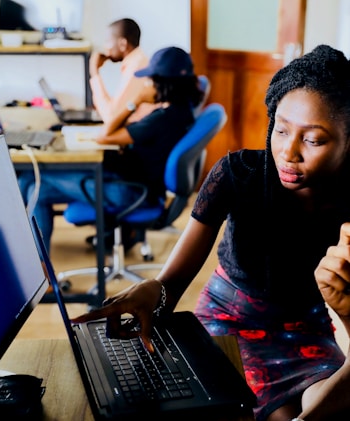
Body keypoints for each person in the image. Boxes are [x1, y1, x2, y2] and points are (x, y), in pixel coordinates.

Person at [71, 44, 350, 420]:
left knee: (331, 405)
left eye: (313, 139)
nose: (288, 152)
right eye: (280, 130)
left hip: (308, 329)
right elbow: (172, 282)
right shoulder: (237, 176)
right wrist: (154, 290)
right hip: (231, 320)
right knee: (275, 413)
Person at [19, 46, 204, 254]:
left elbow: (105, 135)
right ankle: (38, 265)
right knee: (31, 185)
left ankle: (38, 267)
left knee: (32, 184)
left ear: (163, 83)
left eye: (149, 79)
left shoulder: (162, 120)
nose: (145, 84)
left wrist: (134, 101)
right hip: (136, 184)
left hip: (128, 192)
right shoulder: (182, 112)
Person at [90, 18, 157, 124]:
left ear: (123, 44)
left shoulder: (136, 68)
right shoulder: (137, 61)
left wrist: (94, 73)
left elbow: (111, 117)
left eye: (108, 41)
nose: (105, 47)